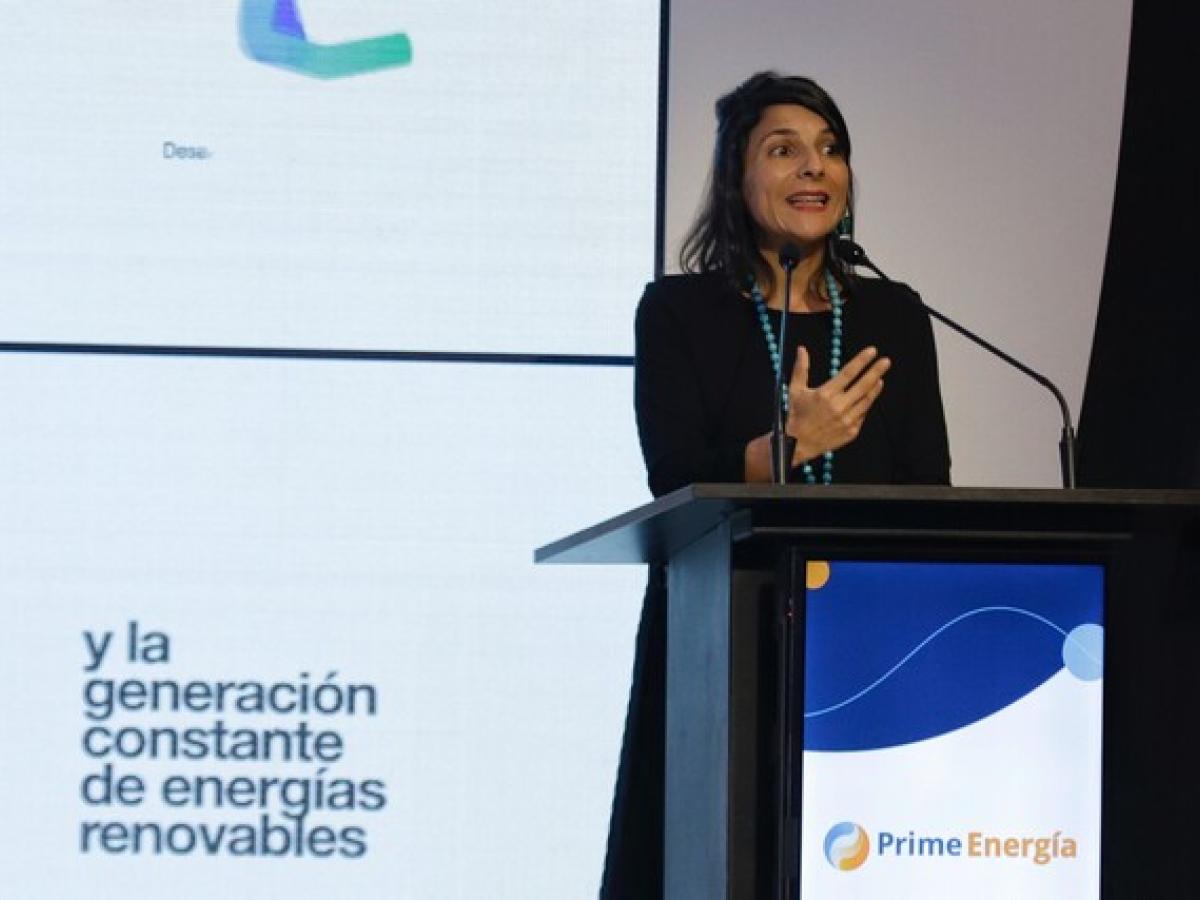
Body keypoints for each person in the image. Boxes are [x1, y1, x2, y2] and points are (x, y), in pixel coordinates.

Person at [599, 72, 950, 899]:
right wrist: (789, 448)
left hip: (867, 635)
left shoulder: (895, 315)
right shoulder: (679, 312)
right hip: (722, 629)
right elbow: (675, 477)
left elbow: (929, 485)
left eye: (830, 150)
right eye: (784, 150)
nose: (814, 168)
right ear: (736, 177)